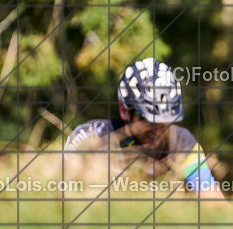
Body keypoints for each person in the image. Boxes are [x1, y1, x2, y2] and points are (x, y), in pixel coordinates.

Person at [65, 57, 224, 199]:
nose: (157, 131)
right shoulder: (94, 135)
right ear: (124, 110)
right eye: (149, 121)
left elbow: (212, 198)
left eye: (164, 122)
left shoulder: (182, 141)